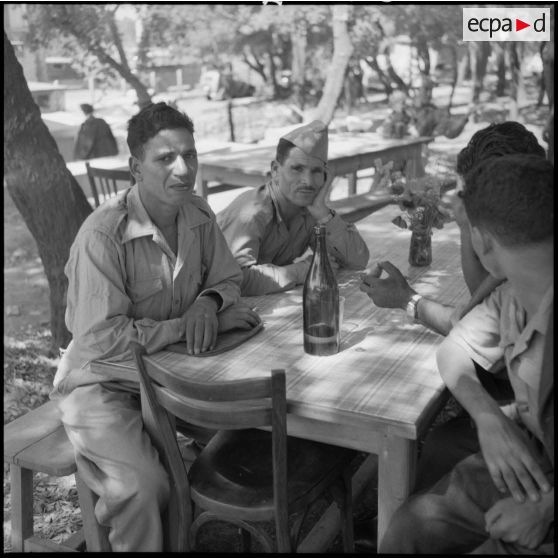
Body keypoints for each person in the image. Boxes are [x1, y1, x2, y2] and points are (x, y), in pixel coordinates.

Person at [51, 102, 259, 551]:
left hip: (173, 373)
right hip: (102, 382)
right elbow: (103, 341)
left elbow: (227, 277)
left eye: (190, 154)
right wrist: (189, 325)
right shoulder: (102, 236)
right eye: (165, 158)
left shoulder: (198, 215)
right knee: (142, 487)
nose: (183, 169)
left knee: (255, 433)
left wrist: (208, 301)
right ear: (135, 168)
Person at [379, 154, 554, 554]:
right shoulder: (513, 295)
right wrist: (488, 418)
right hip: (537, 457)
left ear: (483, 242)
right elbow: (454, 347)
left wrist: (545, 508)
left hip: (545, 495)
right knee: (410, 531)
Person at [217, 120, 370, 295]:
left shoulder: (310, 210)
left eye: (316, 172)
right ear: (275, 170)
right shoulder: (252, 213)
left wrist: (323, 213)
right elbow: (234, 281)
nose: (308, 181)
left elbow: (357, 261)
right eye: (297, 169)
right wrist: (301, 271)